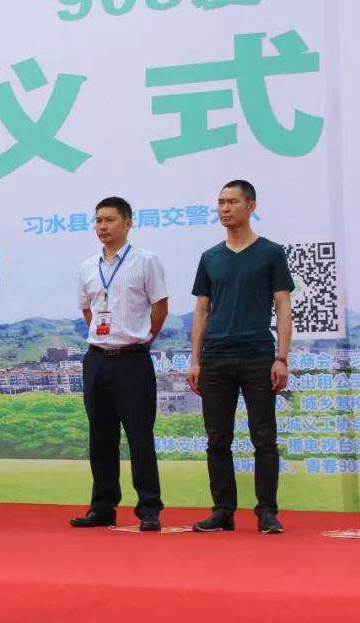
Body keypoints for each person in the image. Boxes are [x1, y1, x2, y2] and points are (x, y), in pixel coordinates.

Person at [187, 180, 293, 534]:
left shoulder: (270, 253)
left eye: (232, 201)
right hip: (216, 358)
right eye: (220, 202)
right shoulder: (210, 258)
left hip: (257, 356)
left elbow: (283, 306)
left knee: (264, 437)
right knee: (217, 439)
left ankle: (267, 511)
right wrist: (196, 360)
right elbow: (202, 310)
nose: (224, 208)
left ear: (251, 206)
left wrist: (282, 358)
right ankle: (222, 511)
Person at [70, 198, 168, 531]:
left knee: (139, 436)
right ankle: (102, 506)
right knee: (100, 436)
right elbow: (88, 310)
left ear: (127, 223)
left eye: (110, 220)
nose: (103, 226)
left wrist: (142, 337)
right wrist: (106, 336)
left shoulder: (145, 260)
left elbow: (160, 306)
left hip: (132, 360)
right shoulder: (87, 266)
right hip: (97, 359)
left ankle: (149, 508)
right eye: (98, 220)